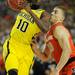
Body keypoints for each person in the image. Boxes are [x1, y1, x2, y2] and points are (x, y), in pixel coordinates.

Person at [3, 0, 51, 75]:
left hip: (28, 50)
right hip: (13, 44)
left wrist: (30, 12)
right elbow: (11, 3)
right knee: (12, 72)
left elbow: (45, 29)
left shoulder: (44, 14)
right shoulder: (24, 5)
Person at [31, 6, 75, 75]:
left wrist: (57, 69)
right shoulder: (48, 34)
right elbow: (46, 57)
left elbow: (67, 50)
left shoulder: (59, 28)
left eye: (55, 12)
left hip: (71, 65)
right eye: (52, 11)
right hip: (63, 68)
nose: (52, 13)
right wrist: (36, 50)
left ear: (61, 18)